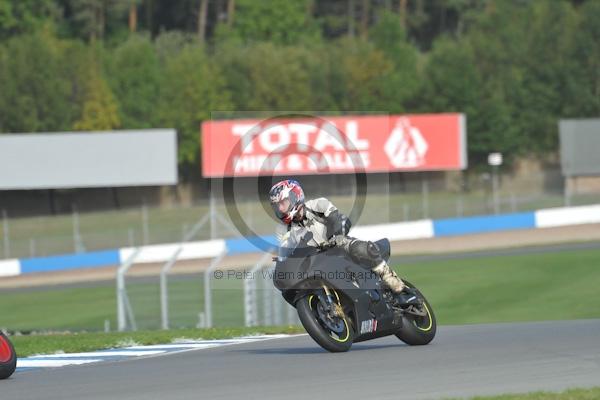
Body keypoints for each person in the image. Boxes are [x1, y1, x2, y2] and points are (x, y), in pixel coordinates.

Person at [269, 179, 412, 299]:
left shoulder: (317, 204)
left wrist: (337, 235)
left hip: (336, 245)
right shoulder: (283, 230)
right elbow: (286, 249)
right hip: (316, 260)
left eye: (283, 203)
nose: (280, 209)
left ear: (295, 196)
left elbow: (336, 218)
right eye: (277, 206)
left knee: (360, 248)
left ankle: (389, 277)